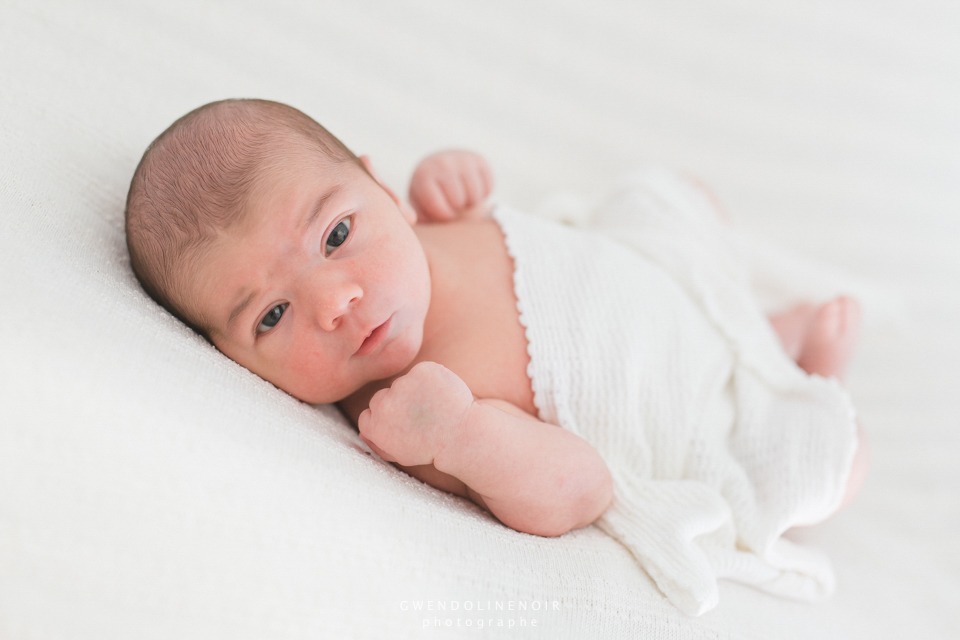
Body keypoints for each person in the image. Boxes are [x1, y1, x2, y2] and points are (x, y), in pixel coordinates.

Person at [125, 98, 867, 614]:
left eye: (338, 236)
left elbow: (504, 236)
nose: (334, 302)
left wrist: (454, 195)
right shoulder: (412, 415)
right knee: (832, 465)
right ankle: (798, 369)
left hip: (637, 281)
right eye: (273, 315)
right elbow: (582, 490)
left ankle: (759, 323)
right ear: (232, 360)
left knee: (670, 199)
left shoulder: (419, 230)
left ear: (381, 186)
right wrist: (461, 437)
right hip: (684, 403)